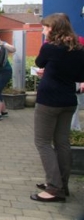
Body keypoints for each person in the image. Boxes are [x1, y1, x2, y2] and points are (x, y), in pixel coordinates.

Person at [30, 13, 84, 203]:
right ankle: (63, 184)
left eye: (45, 27)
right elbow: (78, 73)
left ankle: (54, 188)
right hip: (68, 100)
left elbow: (38, 63)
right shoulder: (78, 48)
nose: (43, 30)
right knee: (62, 143)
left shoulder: (50, 47)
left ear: (53, 28)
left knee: (43, 142)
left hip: (49, 101)